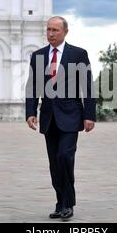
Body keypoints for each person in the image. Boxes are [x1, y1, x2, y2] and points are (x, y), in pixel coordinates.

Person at [25, 16, 96, 221]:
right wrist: (30, 112)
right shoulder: (38, 55)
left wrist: (89, 115)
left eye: (55, 30)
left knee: (65, 157)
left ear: (65, 32)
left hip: (71, 115)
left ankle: (67, 203)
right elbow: (32, 86)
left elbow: (88, 86)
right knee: (54, 163)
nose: (51, 34)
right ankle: (60, 202)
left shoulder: (78, 54)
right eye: (48, 30)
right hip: (48, 117)